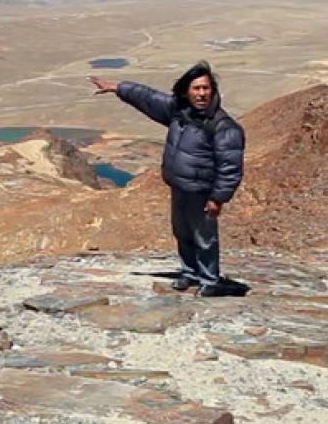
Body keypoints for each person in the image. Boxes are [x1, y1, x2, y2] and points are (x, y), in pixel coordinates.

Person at [90, 61, 246, 297]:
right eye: (196, 88)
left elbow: (230, 167)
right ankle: (190, 273)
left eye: (206, 88)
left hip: (202, 192)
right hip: (180, 187)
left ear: (213, 91)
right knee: (182, 232)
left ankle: (210, 280)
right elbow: (150, 98)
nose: (202, 94)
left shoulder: (223, 127)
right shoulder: (179, 113)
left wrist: (218, 198)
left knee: (204, 237)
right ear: (186, 91)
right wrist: (118, 88)